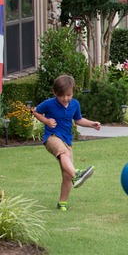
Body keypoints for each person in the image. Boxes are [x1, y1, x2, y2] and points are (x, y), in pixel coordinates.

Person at [31, 74, 101, 211]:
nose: (65, 98)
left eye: (68, 95)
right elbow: (35, 111)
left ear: (73, 92)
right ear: (54, 92)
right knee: (63, 154)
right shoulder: (49, 103)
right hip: (52, 137)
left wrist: (92, 124)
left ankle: (62, 202)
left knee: (66, 174)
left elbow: (78, 120)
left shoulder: (75, 104)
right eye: (61, 95)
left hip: (67, 140)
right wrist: (46, 121)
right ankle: (77, 175)